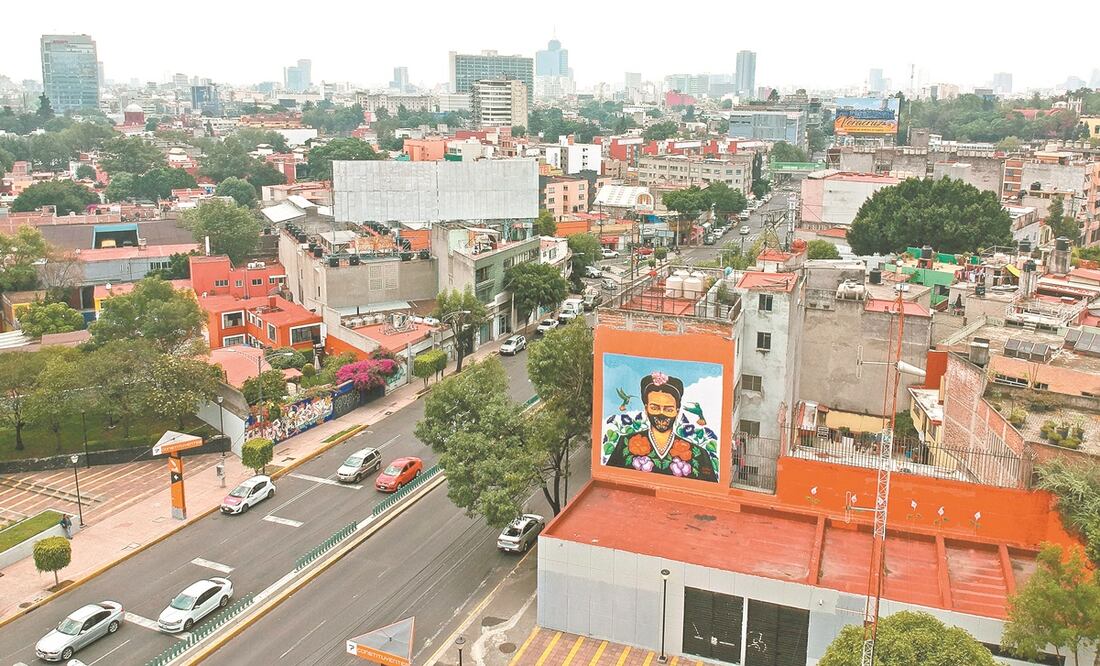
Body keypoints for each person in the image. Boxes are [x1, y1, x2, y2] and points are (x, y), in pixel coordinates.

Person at [605, 372, 718, 481]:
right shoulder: (625, 443)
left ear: (677, 412)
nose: (661, 414)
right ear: (646, 408)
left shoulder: (699, 454)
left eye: (668, 409)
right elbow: (608, 484)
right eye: (655, 408)